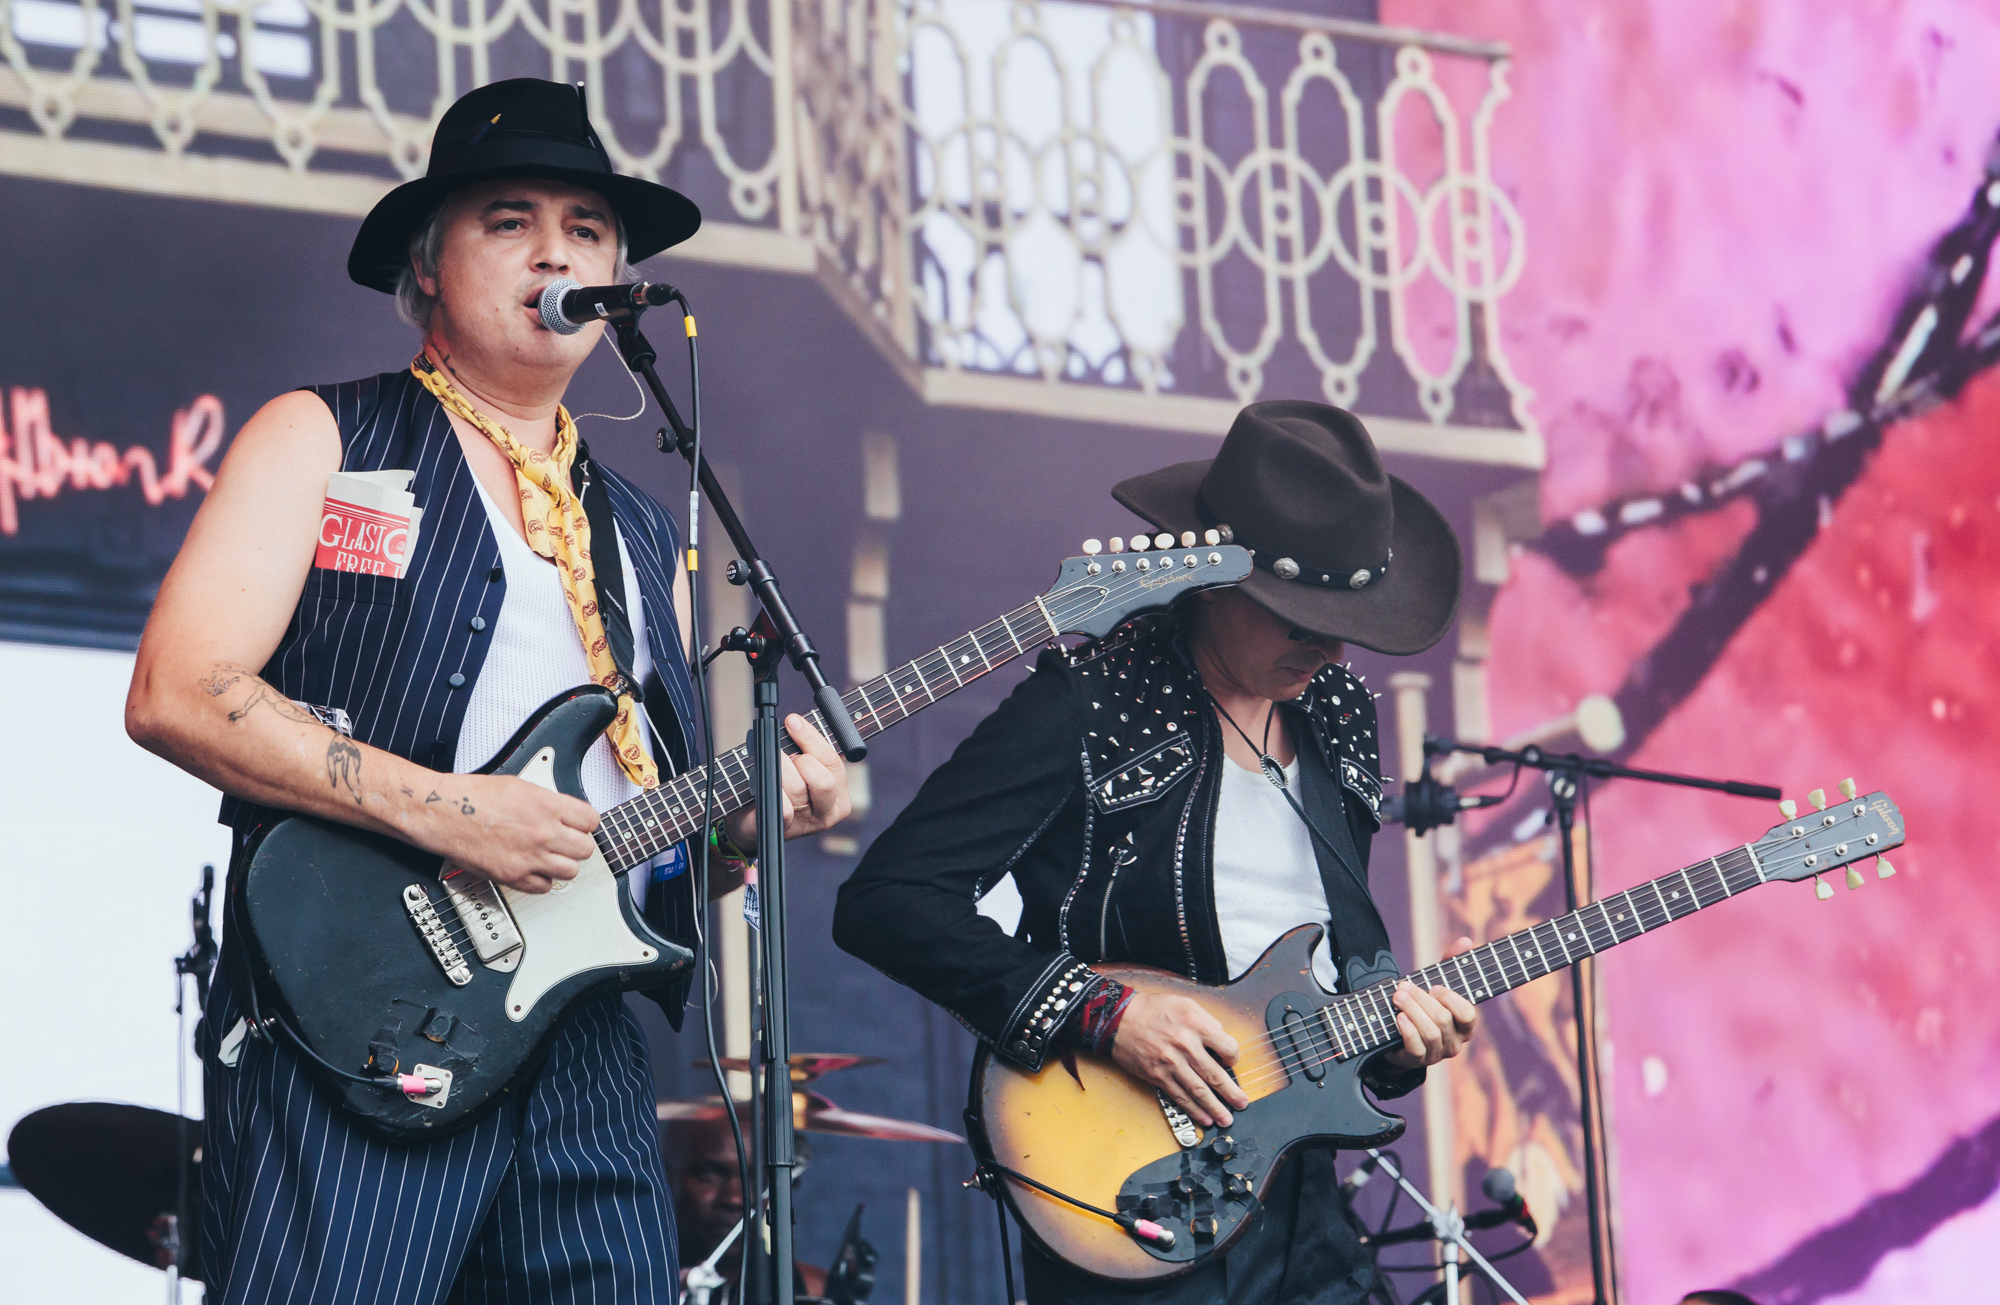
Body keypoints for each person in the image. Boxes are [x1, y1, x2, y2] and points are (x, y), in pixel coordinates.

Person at [124, 77, 851, 1304]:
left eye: (587, 229)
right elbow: (178, 692)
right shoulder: (321, 437)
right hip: (358, 1010)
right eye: (510, 220)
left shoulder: (638, 527)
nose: (556, 252)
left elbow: (634, 845)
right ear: (427, 262)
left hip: (578, 1042)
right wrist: (451, 810)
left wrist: (734, 836)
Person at [833, 401, 1481, 1304]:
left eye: (1347, 623)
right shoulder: (1090, 702)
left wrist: (1401, 1045)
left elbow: (1333, 977)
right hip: (1132, 1181)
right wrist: (1106, 1012)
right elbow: (888, 899)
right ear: (1215, 580)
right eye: (1300, 619)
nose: (1331, 649)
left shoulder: (1337, 713)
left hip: (1298, 1203)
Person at [664, 1106, 828, 1301]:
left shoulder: (813, 1289)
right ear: (666, 1175)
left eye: (756, 1178)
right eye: (709, 1173)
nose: (735, 1199)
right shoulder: (635, 1285)